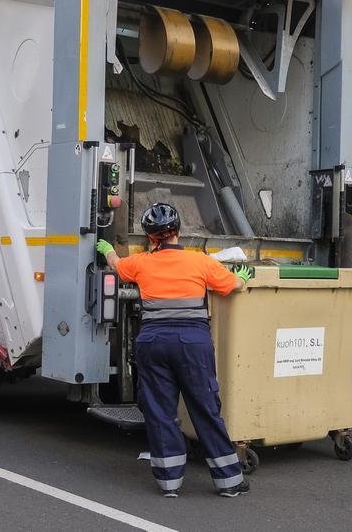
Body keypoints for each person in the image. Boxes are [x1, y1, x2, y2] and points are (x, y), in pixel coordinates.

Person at [96, 203, 254, 498]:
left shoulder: (141, 262)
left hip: (153, 343)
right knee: (205, 409)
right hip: (193, 344)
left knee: (159, 411)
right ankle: (229, 482)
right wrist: (243, 278)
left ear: (150, 238)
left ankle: (169, 482)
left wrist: (106, 248)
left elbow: (117, 267)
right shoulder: (201, 262)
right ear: (178, 232)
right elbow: (231, 285)